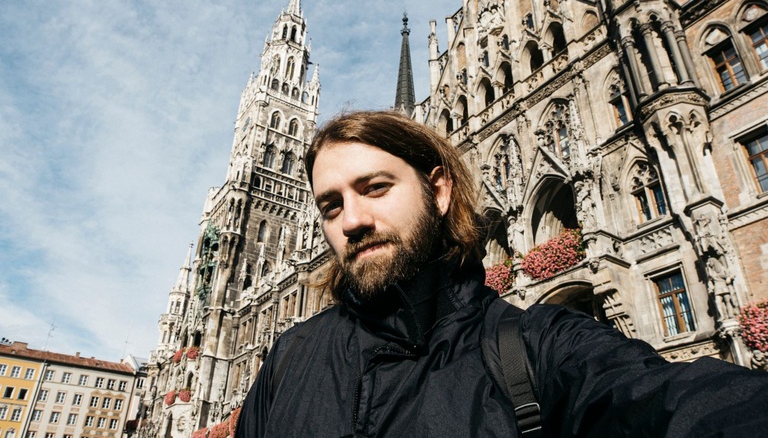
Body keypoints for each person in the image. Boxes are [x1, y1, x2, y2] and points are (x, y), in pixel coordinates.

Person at [235, 110, 768, 437]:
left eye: (375, 187)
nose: (352, 220)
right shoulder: (290, 359)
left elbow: (666, 401)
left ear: (438, 191)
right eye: (330, 206)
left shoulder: (532, 347)